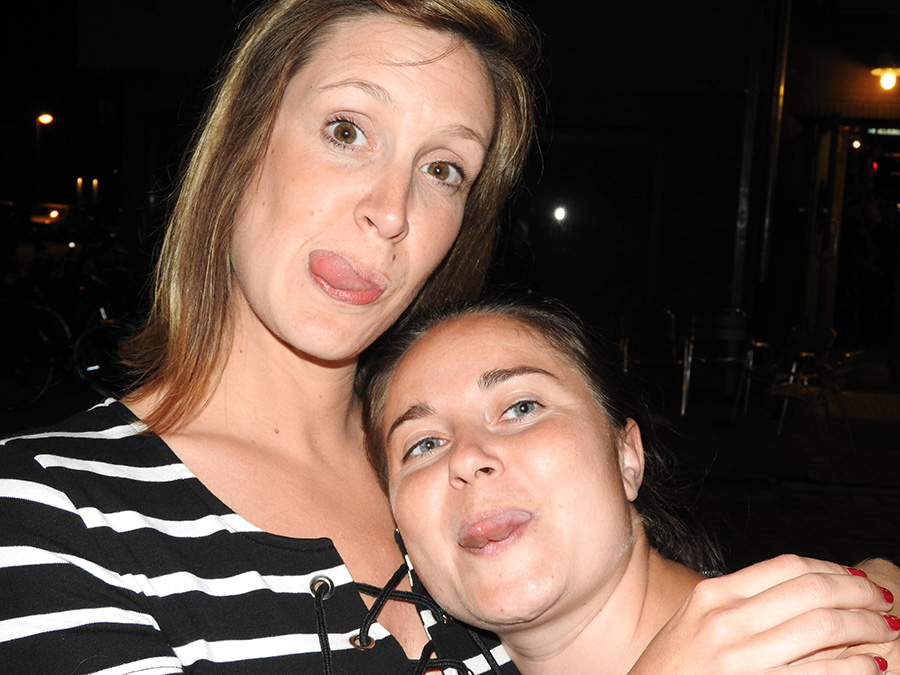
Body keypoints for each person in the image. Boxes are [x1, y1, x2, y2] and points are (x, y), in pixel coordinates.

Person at [0, 0, 897, 673]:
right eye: (347, 130)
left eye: (442, 169)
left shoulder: (443, 479)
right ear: (237, 144)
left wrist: (851, 608)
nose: (391, 210)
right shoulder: (50, 513)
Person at [360, 296, 900, 674]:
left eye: (521, 407)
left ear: (627, 457)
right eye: (423, 444)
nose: (467, 458)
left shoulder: (820, 658)